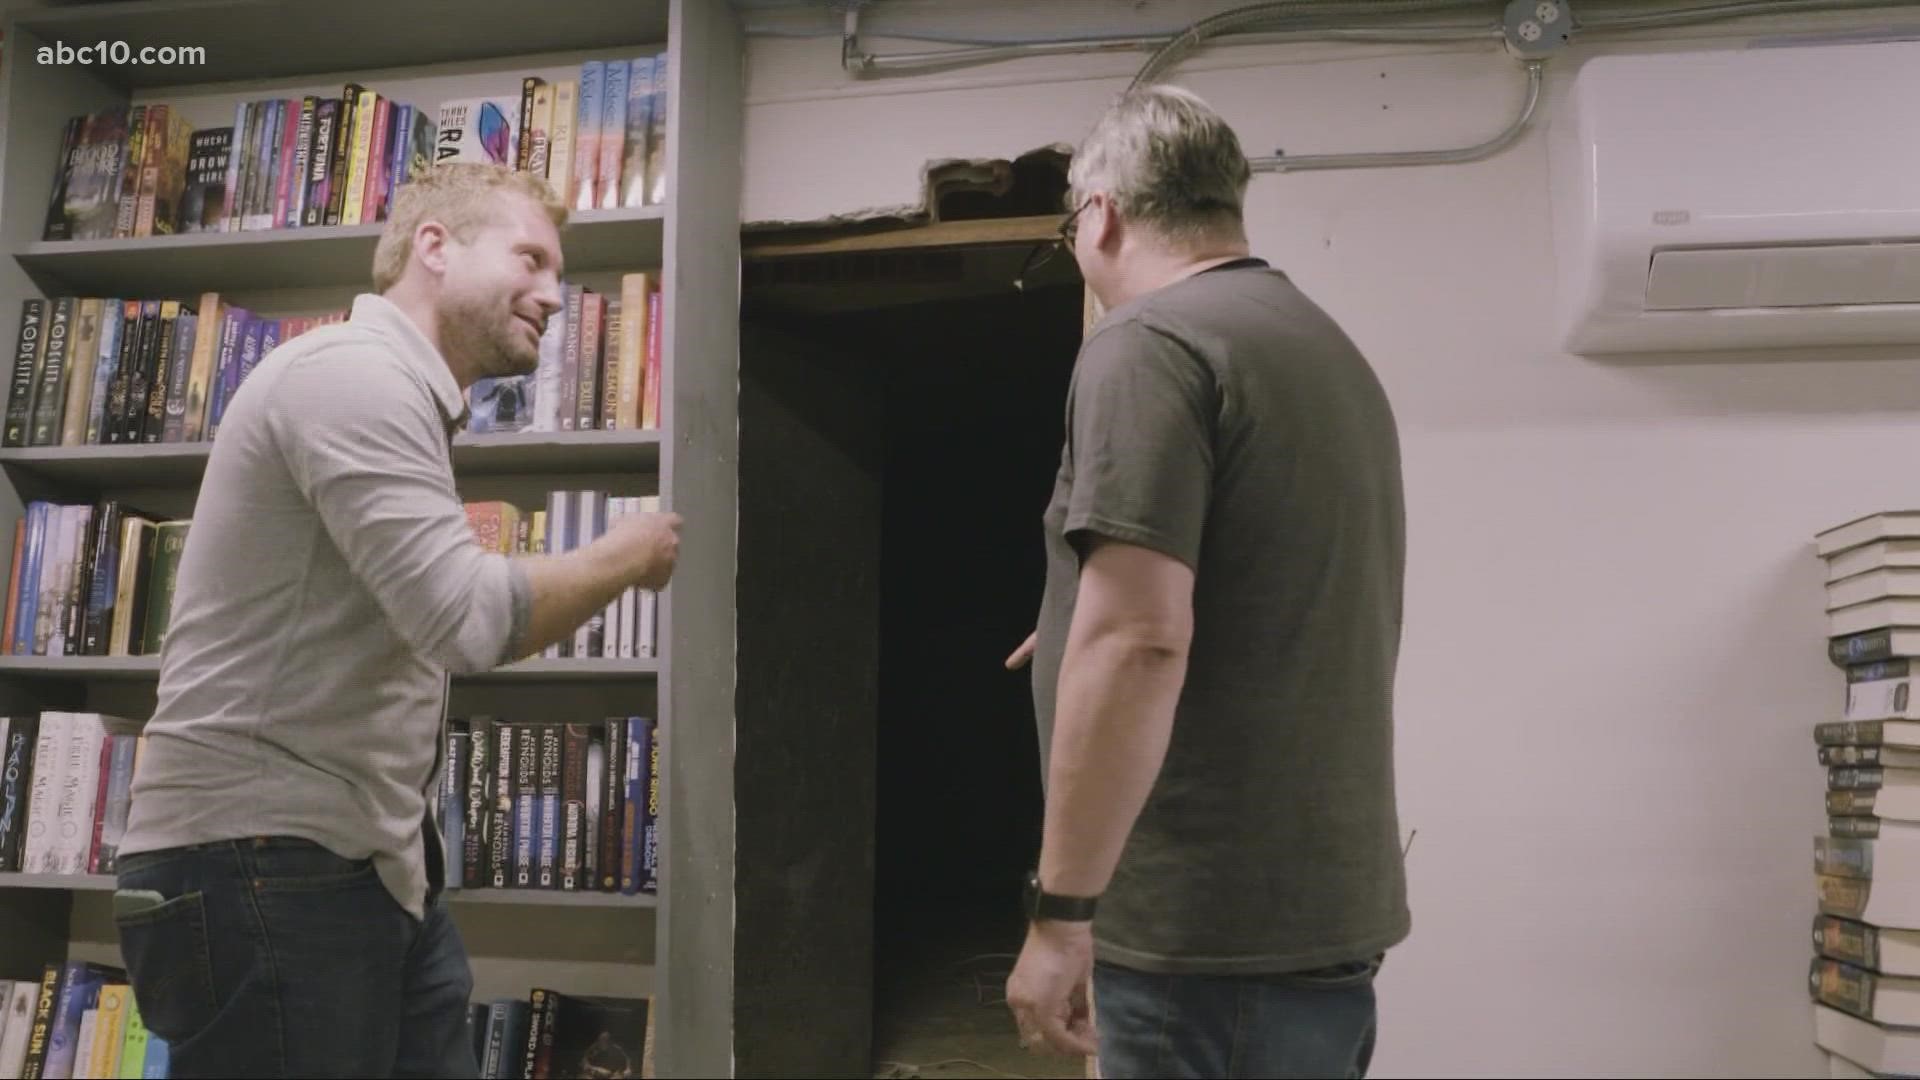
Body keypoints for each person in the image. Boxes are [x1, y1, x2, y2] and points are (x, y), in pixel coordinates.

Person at [112, 162, 682, 1079]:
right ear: (434, 247)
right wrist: (626, 553)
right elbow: (465, 618)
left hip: (360, 868)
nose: (555, 294)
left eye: (559, 272)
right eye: (531, 258)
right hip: (261, 864)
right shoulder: (352, 379)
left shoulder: (397, 396)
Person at [1003, 84, 1409, 1080]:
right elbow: (1264, 582)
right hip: (1308, 915)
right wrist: (1069, 623)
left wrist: (1061, 916)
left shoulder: (1146, 346)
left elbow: (1140, 641)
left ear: (1099, 213)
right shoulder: (1317, 347)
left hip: (1203, 932)